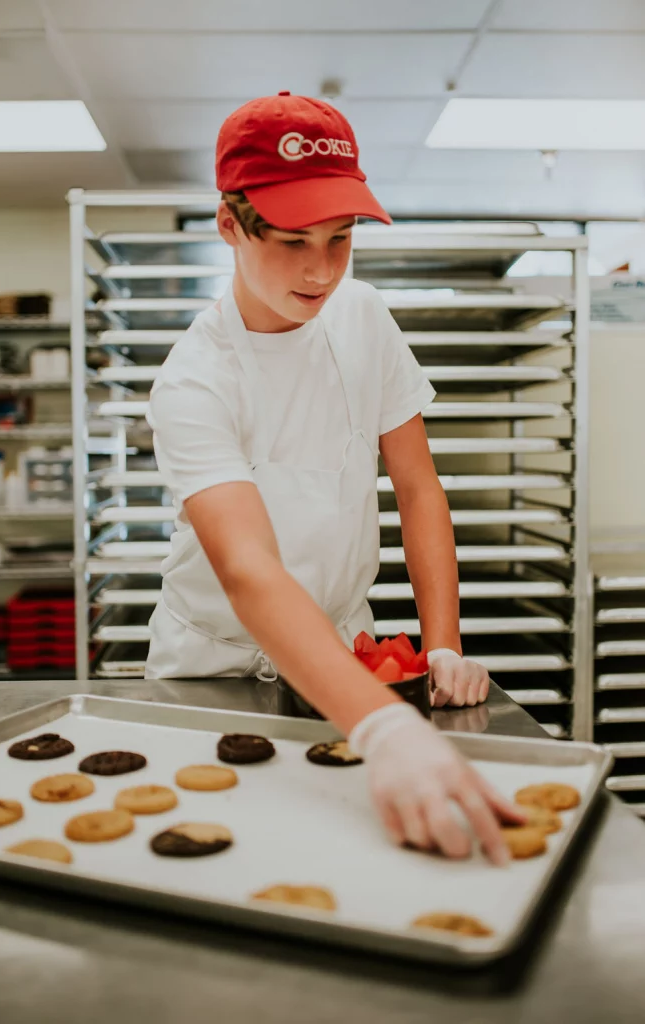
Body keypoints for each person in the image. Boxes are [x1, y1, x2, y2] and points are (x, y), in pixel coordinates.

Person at [145, 91, 525, 865]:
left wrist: (439, 646)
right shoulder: (193, 383)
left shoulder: (363, 318)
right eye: (291, 241)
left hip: (352, 656)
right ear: (230, 225)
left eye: (342, 237)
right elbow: (249, 570)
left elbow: (417, 488)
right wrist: (383, 728)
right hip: (218, 669)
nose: (321, 270)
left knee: (356, 857)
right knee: (230, 861)